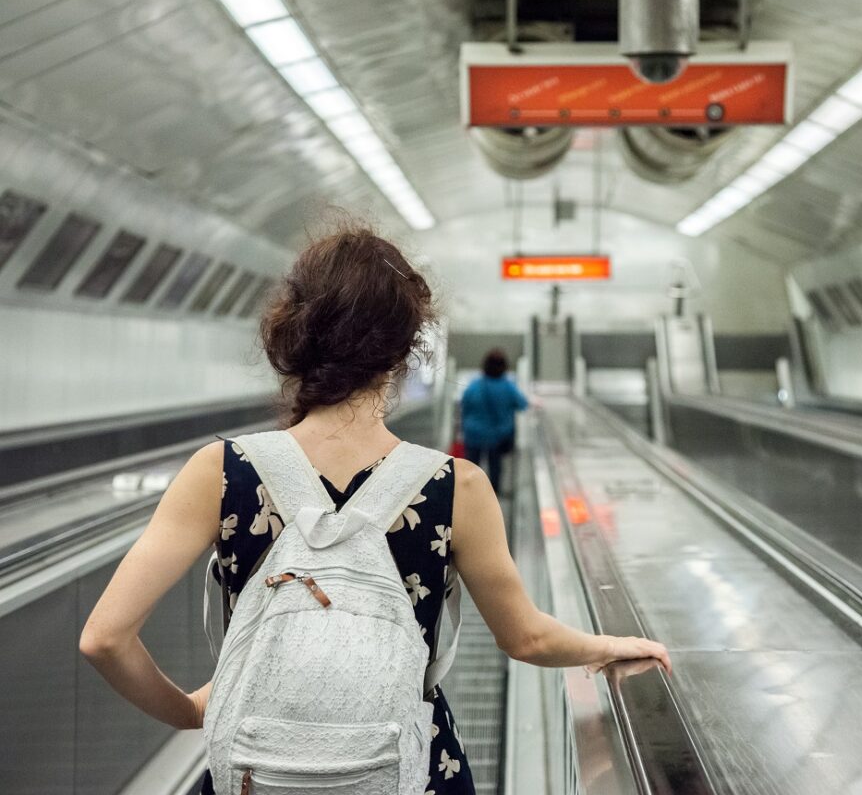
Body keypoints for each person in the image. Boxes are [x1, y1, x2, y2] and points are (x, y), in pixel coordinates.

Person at [78, 223, 671, 795]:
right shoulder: (454, 487)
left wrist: (189, 711)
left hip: (256, 771)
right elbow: (527, 640)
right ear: (402, 351)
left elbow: (104, 639)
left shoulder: (220, 470)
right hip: (409, 766)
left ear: (294, 336)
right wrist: (606, 645)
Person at [460, 349, 527, 491]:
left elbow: (464, 405)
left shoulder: (474, 385)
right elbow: (522, 404)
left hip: (474, 434)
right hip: (497, 436)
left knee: (471, 467)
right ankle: (493, 495)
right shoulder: (508, 387)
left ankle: (470, 493)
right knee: (495, 467)